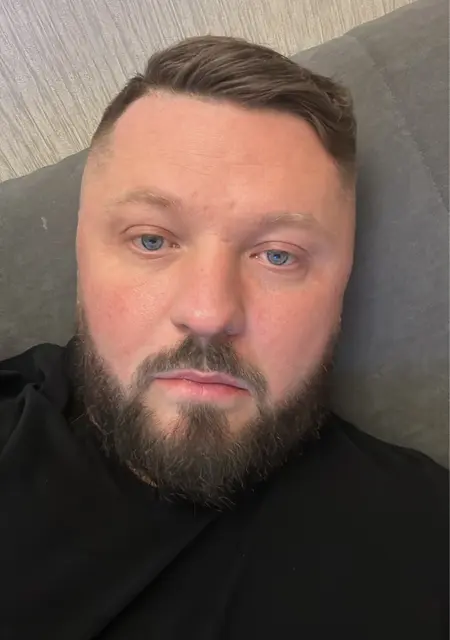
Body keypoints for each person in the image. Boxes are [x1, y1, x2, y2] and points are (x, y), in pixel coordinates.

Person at [0, 35, 447, 640]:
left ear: (344, 280)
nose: (209, 313)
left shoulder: (428, 542)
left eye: (278, 255)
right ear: (81, 253)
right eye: (152, 240)